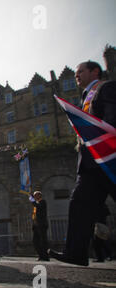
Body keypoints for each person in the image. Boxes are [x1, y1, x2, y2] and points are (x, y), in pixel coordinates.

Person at [49, 61, 116, 266]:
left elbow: (112, 119)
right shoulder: (85, 97)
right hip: (90, 163)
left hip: (108, 156)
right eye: (76, 73)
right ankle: (75, 253)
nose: (77, 75)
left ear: (95, 71)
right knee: (79, 203)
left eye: (81, 72)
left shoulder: (107, 87)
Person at [29, 191, 49, 261]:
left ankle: (45, 256)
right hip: (36, 225)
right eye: (34, 196)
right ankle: (41, 255)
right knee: (35, 241)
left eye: (35, 196)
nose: (34, 197)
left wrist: (32, 201)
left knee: (43, 241)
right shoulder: (37, 203)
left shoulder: (42, 202)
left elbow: (38, 206)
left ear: (39, 196)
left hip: (41, 224)